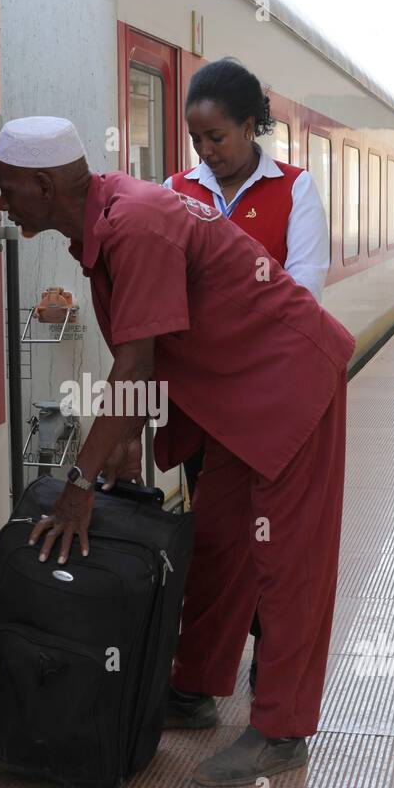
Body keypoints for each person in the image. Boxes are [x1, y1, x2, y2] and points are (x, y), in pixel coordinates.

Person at [0, 116, 354, 787]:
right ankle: (192, 689)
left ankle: (283, 728)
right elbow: (150, 348)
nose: (2, 205)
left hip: (290, 383)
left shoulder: (137, 222)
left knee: (286, 562)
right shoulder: (109, 219)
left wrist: (81, 480)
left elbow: (133, 365)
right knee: (219, 544)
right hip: (239, 398)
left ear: (43, 185)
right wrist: (124, 436)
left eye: (7, 190)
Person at [164, 58, 332, 692]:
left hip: (268, 404)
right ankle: (203, 676)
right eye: (197, 141)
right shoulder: (175, 190)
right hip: (202, 405)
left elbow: (303, 298)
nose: (207, 153)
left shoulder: (295, 190)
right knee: (213, 538)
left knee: (269, 540)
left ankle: (269, 664)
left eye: (218, 138)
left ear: (249, 125)